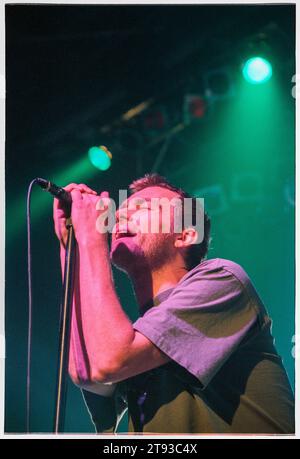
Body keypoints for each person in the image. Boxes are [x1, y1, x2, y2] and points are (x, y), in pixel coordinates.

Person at [53, 173, 294, 434]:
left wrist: (91, 239)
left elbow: (110, 360)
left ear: (185, 235)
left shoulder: (223, 279)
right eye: (121, 211)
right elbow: (86, 371)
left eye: (142, 207)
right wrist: (72, 249)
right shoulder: (137, 334)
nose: (120, 216)